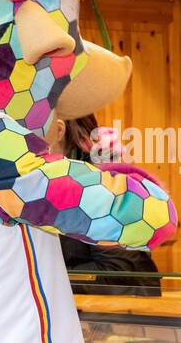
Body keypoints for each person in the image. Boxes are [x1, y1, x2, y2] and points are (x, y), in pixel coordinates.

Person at [47, 113, 162, 297]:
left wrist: (42, 279)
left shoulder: (104, 187)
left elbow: (117, 272)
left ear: (58, 131)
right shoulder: (51, 187)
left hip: (124, 315)